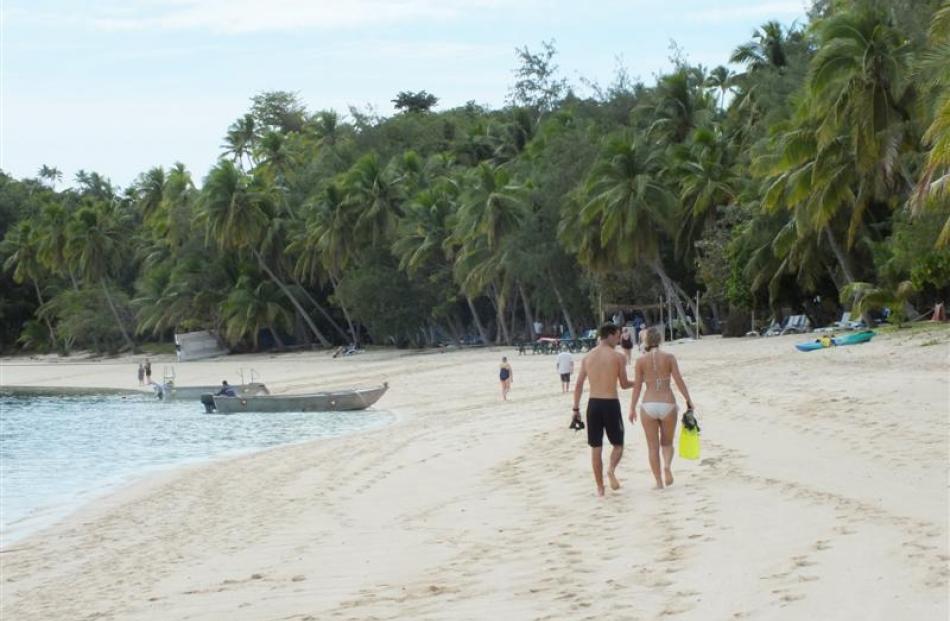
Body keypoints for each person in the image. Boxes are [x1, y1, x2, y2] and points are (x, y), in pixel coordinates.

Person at [629, 326, 694, 490]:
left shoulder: (640, 361)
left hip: (648, 404)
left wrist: (632, 408)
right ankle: (666, 466)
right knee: (667, 442)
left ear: (646, 341)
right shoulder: (669, 357)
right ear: (660, 339)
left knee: (652, 446)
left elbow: (637, 386)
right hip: (667, 403)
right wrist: (688, 399)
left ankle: (658, 482)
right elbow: (678, 380)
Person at [572, 322, 633, 496]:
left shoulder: (587, 357)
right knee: (618, 445)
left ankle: (600, 488)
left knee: (596, 448)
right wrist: (640, 382)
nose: (619, 339)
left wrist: (575, 409)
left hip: (593, 405)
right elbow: (624, 384)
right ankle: (611, 470)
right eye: (618, 335)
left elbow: (578, 386)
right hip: (610, 404)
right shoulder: (618, 357)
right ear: (611, 335)